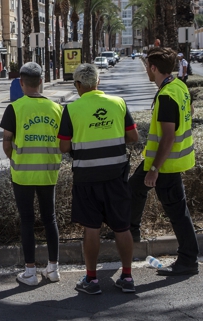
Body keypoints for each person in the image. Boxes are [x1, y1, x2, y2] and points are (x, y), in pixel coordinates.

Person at [58, 64, 139, 295]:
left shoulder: (72, 109)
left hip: (86, 177)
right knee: (122, 227)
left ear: (78, 85)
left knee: (91, 228)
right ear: (98, 83)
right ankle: (127, 276)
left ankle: (92, 281)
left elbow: (64, 146)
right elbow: (133, 136)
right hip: (116, 176)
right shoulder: (118, 103)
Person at [130, 47, 199, 276]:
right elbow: (189, 111)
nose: (147, 70)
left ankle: (188, 260)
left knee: (178, 213)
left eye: (148, 66)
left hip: (165, 165)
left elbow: (168, 136)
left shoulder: (168, 94)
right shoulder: (179, 86)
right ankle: (131, 232)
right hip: (165, 162)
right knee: (133, 189)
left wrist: (155, 169)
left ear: (153, 68)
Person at [0, 62, 62, 286]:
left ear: (22, 83)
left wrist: (15, 159)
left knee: (27, 221)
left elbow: (7, 142)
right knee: (50, 219)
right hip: (48, 173)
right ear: (42, 82)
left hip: (23, 174)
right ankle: (53, 269)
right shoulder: (57, 108)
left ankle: (30, 272)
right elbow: (64, 142)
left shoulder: (14, 108)